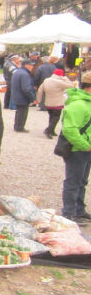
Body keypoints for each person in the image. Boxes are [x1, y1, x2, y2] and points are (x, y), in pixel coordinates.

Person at [60, 71, 91, 223]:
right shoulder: (79, 104)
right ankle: (69, 213)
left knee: (82, 181)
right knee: (73, 181)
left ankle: (79, 209)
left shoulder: (87, 102)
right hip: (78, 150)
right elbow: (69, 129)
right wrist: (84, 145)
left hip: (86, 149)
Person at [35, 69, 74, 139]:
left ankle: (52, 130)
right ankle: (48, 130)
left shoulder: (46, 80)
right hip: (57, 103)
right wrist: (65, 78)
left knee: (51, 117)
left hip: (48, 103)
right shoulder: (59, 82)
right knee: (56, 117)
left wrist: (38, 100)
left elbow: (40, 90)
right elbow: (71, 85)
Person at [11, 59, 37, 132]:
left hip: (16, 95)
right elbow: (26, 89)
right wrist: (33, 98)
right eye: (31, 65)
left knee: (19, 112)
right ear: (26, 65)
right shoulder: (25, 74)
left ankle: (17, 126)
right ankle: (20, 127)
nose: (32, 66)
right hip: (22, 97)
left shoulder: (17, 72)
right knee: (23, 113)